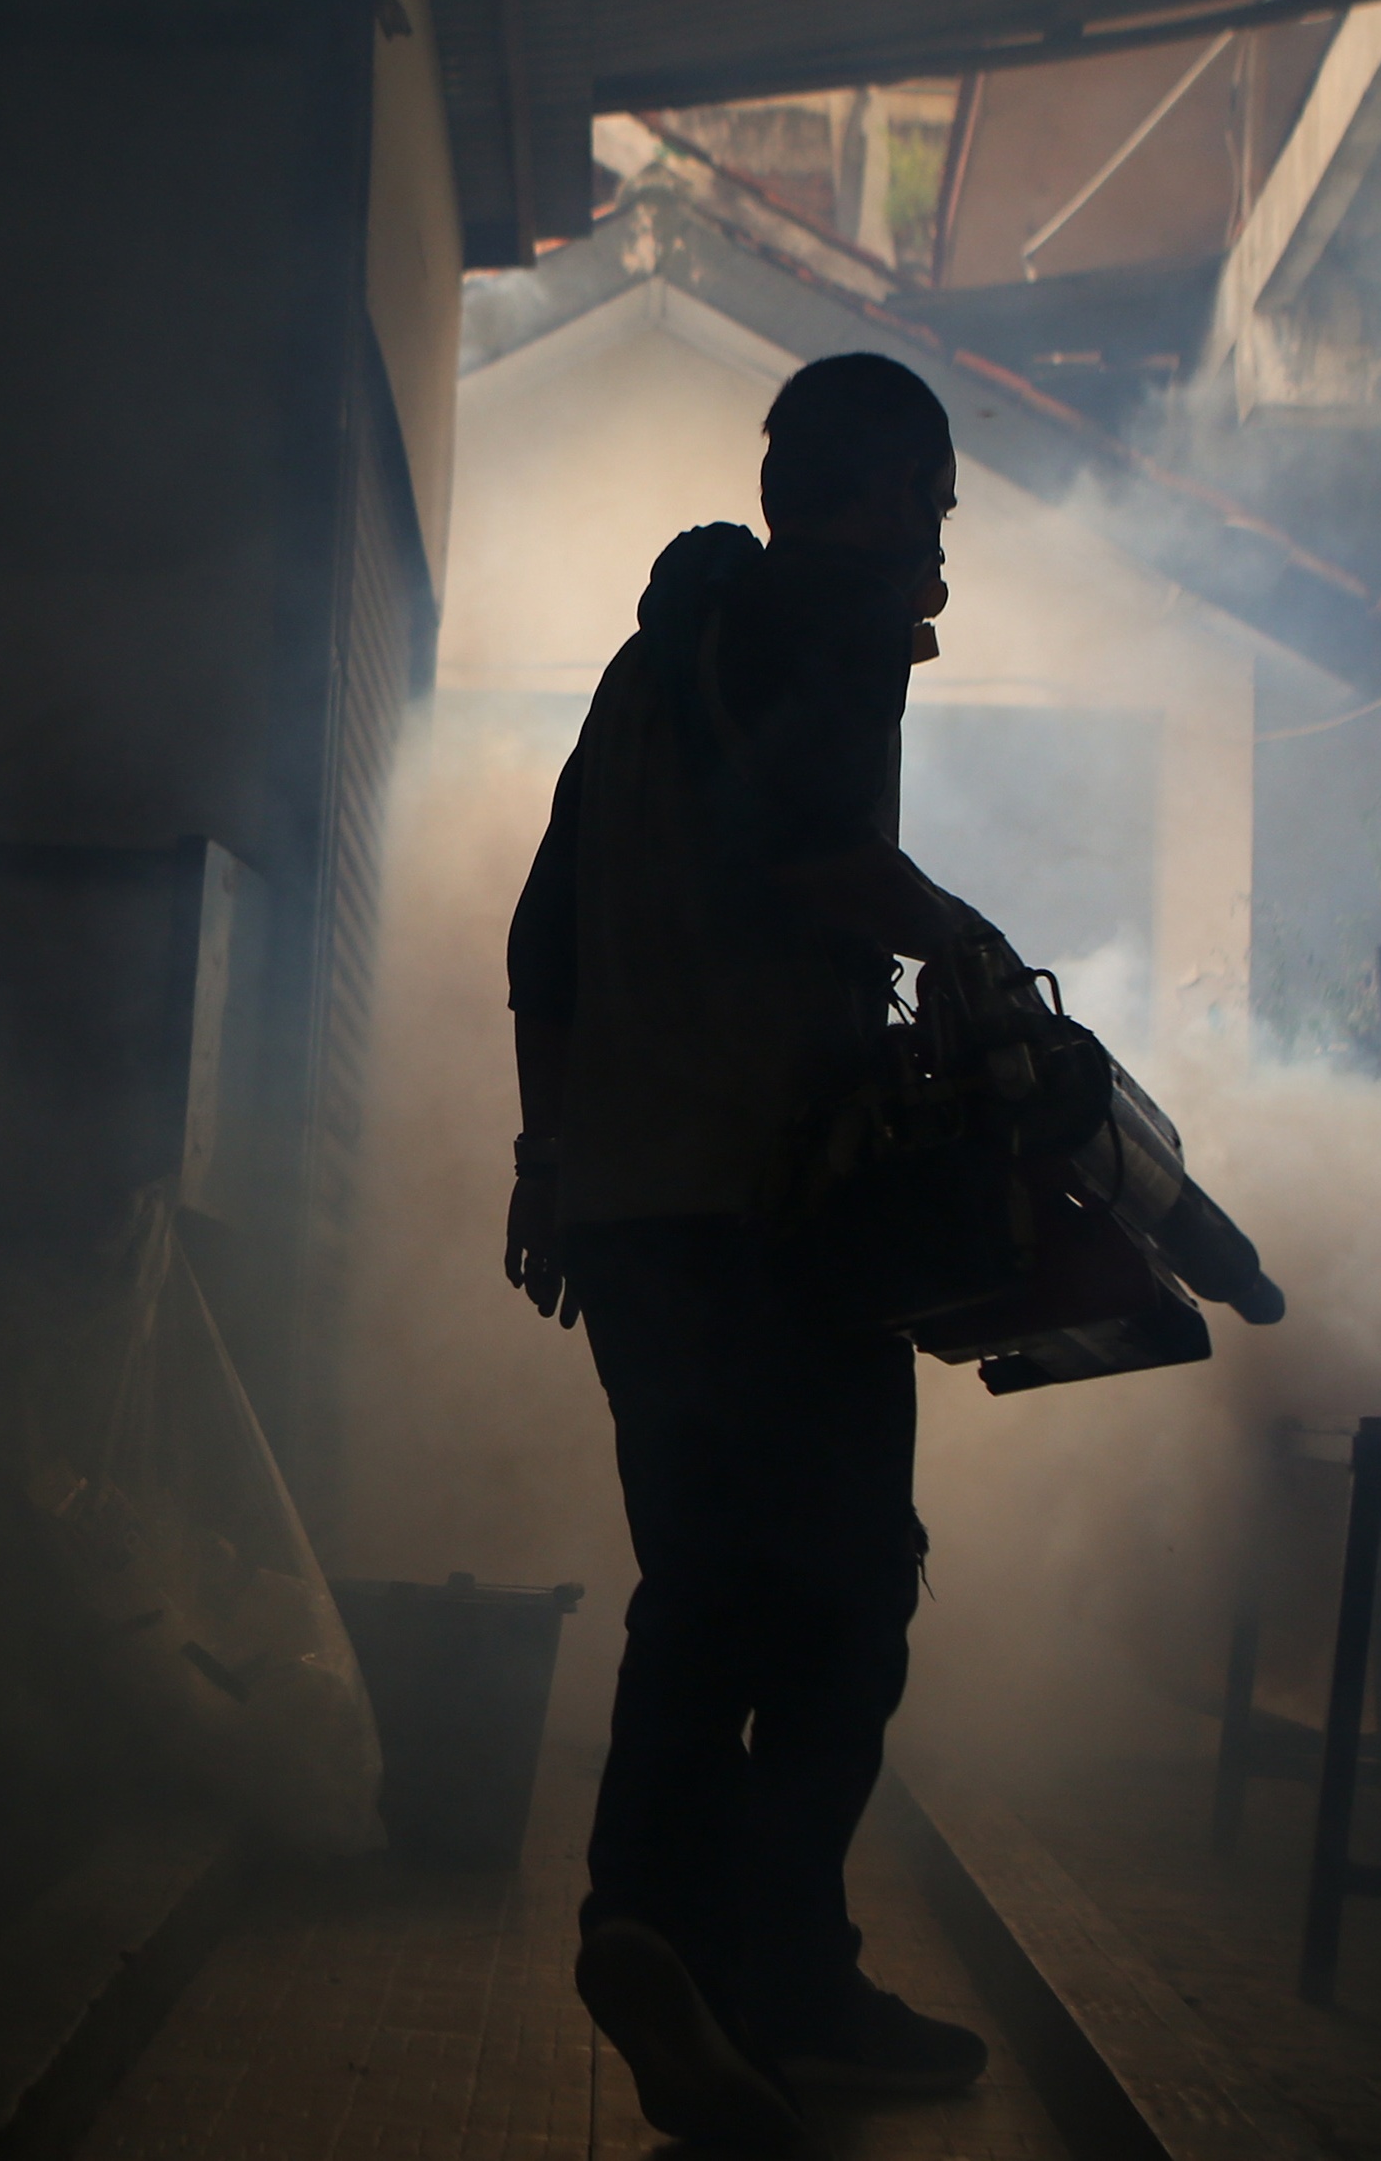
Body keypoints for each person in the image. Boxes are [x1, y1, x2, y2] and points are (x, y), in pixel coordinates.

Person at [501, 353, 997, 2151]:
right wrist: (962, 945)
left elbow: (538, 933)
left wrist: (547, 1157)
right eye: (930, 498)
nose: (939, 536)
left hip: (632, 1212)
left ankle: (686, 1946)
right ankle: (759, 1968)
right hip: (780, 1205)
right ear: (873, 492)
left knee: (709, 1581)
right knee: (849, 1590)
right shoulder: (835, 615)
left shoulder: (647, 670)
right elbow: (813, 854)